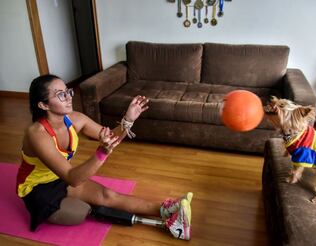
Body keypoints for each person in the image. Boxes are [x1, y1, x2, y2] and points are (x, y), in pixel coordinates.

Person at [16, 74, 193, 240]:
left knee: (107, 195)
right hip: (38, 189)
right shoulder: (37, 134)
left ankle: (166, 210)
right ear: (43, 105)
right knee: (81, 211)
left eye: (68, 91)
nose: (69, 97)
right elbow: (73, 178)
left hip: (61, 177)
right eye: (60, 95)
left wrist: (128, 119)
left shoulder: (76, 119)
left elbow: (109, 136)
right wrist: (102, 153)